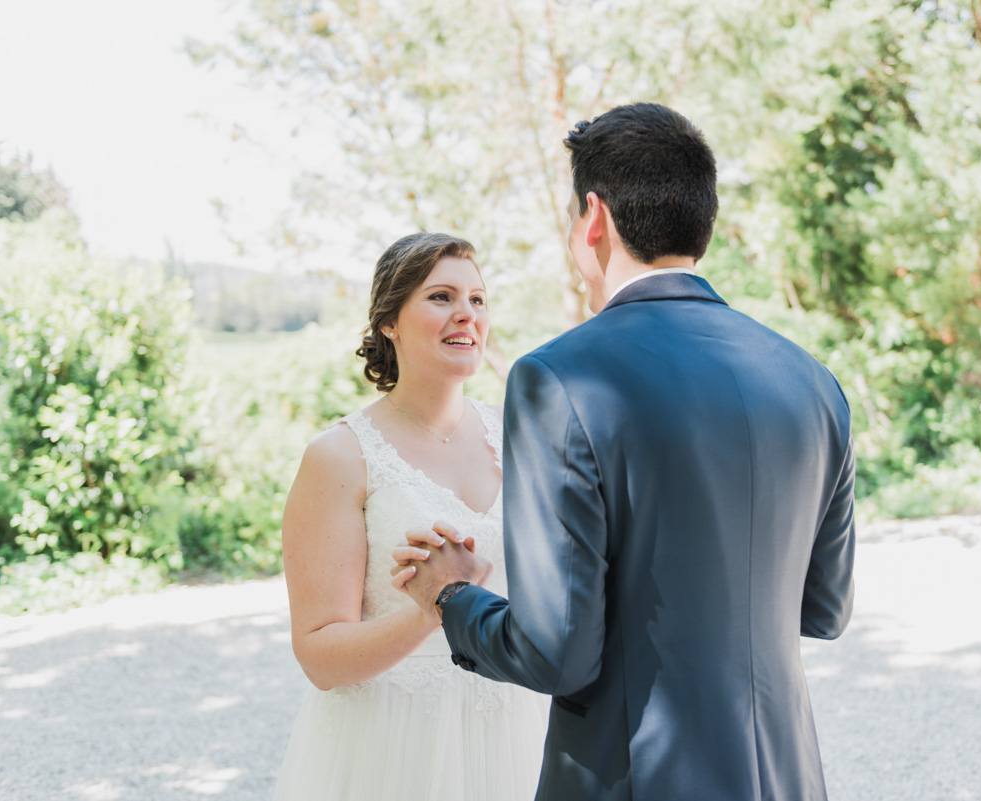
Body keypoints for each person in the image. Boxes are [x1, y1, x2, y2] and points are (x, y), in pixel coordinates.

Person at [392, 103, 856, 801]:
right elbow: (824, 607)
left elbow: (559, 650)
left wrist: (451, 596)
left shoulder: (561, 377)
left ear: (594, 219)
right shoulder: (813, 380)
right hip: (788, 776)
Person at [271, 232, 548, 801]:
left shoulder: (524, 435)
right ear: (389, 322)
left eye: (478, 300)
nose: (466, 315)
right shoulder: (341, 457)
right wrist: (435, 607)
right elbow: (320, 658)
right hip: (393, 747)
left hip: (517, 729)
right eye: (442, 297)